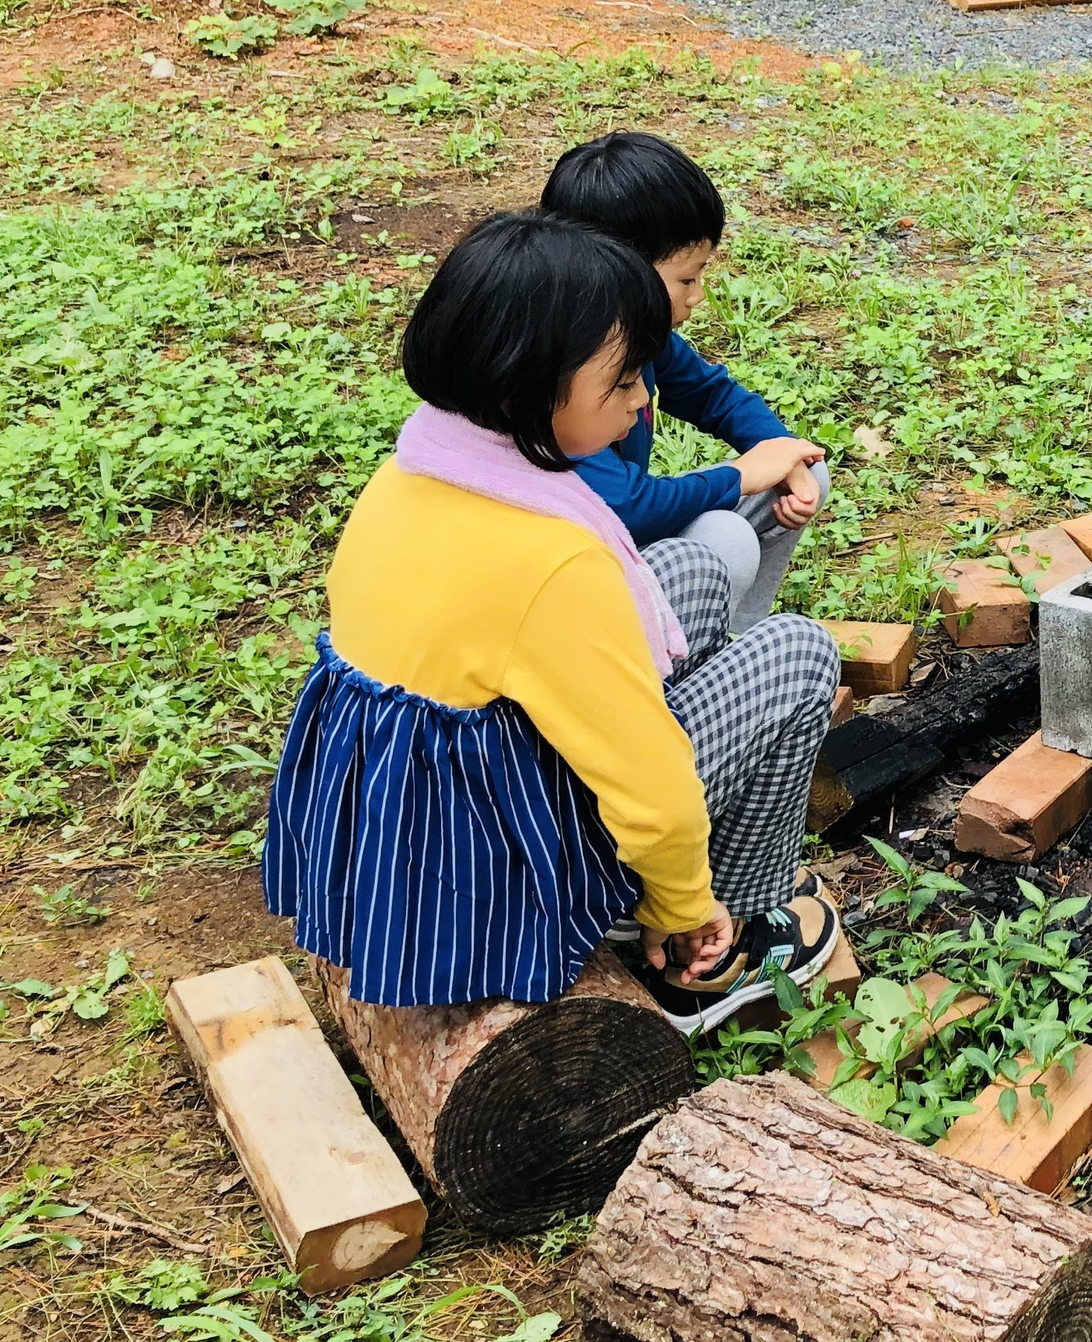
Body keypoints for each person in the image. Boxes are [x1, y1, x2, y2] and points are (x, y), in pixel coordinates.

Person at [261, 211, 842, 1033]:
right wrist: (682, 901)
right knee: (797, 654)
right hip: (499, 867)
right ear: (525, 389)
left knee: (691, 572)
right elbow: (656, 798)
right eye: (622, 384)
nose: (643, 401)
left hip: (405, 832)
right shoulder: (555, 561)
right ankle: (713, 956)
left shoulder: (414, 472)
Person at [541, 132, 828, 636]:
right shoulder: (564, 372)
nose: (698, 296)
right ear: (621, 271)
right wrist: (739, 476)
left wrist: (778, 452)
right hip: (583, 573)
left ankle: (732, 641)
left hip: (630, 537)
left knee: (800, 465)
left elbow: (712, 393)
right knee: (724, 536)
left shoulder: (639, 334)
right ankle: (689, 666)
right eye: (687, 279)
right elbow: (626, 506)